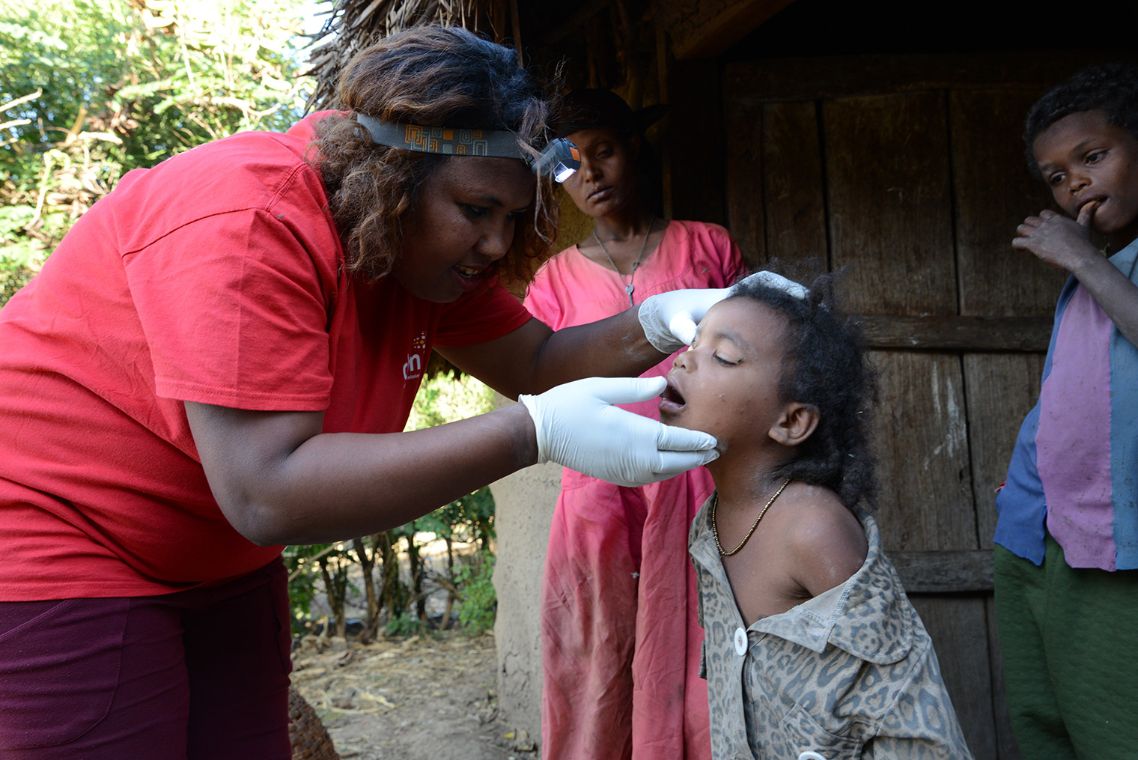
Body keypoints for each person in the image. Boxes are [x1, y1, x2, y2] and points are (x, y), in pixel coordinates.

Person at [0, 26, 800, 758]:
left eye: (510, 216)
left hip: (218, 559)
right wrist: (533, 435)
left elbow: (537, 357)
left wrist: (657, 323)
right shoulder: (250, 218)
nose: (494, 243)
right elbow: (266, 490)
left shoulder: (415, 253)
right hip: (61, 539)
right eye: (475, 210)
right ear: (390, 174)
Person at [523, 88, 747, 759]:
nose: (589, 173)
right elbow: (538, 382)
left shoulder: (706, 244)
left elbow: (752, 350)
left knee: (702, 636)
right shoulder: (552, 280)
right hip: (597, 494)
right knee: (597, 647)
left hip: (698, 478)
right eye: (568, 163)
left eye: (605, 151)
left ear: (634, 152)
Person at [664, 276, 972, 758]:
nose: (684, 358)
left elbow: (905, 701)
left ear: (790, 421)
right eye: (692, 343)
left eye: (722, 356)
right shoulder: (710, 523)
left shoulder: (812, 527)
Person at [993, 62, 1138, 758]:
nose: (1074, 182)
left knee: (1114, 728)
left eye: (1093, 156)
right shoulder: (1101, 270)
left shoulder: (1099, 268)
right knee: (1044, 723)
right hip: (1034, 528)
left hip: (1115, 548)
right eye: (1054, 175)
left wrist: (1084, 261)